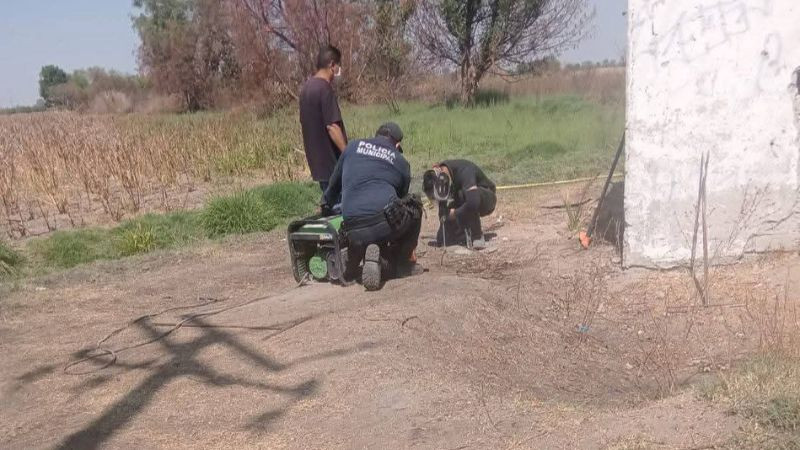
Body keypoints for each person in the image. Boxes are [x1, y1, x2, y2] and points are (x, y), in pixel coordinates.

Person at [323, 122, 424, 287]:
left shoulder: (352, 147)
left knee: (368, 227)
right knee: (415, 205)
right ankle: (402, 264)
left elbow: (333, 186)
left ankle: (357, 254)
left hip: (351, 226)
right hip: (384, 224)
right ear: (397, 144)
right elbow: (402, 199)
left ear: (376, 135)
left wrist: (324, 206)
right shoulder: (401, 161)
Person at [299, 45, 348, 199]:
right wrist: (347, 154)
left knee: (329, 206)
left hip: (317, 164)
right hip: (332, 164)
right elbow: (333, 127)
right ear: (332, 65)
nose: (338, 70)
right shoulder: (324, 89)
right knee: (340, 210)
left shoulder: (306, 89)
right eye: (338, 65)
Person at [423, 160, 497, 250]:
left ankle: (476, 235)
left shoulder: (465, 171)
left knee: (463, 195)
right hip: (466, 198)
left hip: (486, 198)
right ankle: (461, 233)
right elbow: (443, 213)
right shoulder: (442, 176)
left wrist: (455, 214)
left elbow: (473, 202)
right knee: (442, 239)